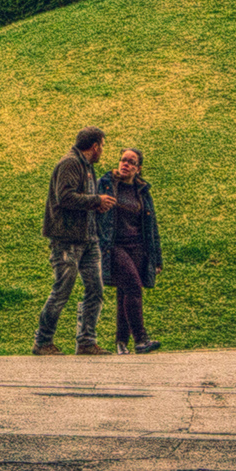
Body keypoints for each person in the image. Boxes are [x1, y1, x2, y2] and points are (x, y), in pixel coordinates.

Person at [33, 125, 112, 356]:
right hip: (67, 240)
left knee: (95, 290)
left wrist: (97, 206)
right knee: (62, 290)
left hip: (89, 238)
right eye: (102, 147)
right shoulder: (70, 163)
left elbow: (81, 199)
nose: (103, 152)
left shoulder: (86, 166)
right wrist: (96, 200)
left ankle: (86, 341)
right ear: (95, 146)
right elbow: (64, 197)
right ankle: (42, 341)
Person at [95, 144, 162, 354]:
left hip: (138, 248)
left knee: (126, 291)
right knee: (133, 287)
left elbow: (152, 227)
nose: (126, 164)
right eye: (123, 160)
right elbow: (92, 212)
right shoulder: (105, 184)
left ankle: (121, 342)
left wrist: (156, 258)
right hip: (113, 246)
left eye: (131, 162)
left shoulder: (142, 191)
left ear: (138, 168)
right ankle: (141, 339)